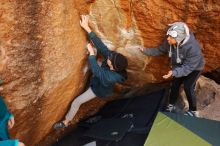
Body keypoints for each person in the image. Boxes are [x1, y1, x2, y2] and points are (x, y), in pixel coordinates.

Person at [53, 15, 128, 129]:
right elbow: (102, 47)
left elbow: (97, 71)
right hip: (100, 76)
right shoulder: (112, 62)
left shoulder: (111, 77)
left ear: (112, 67)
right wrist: (86, 27)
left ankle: (66, 122)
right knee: (98, 57)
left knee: (76, 102)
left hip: (97, 89)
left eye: (110, 59)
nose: (109, 56)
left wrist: (92, 54)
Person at [139, 22, 205, 116]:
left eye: (170, 37)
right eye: (168, 36)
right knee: (174, 85)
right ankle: (171, 104)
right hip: (179, 66)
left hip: (195, 68)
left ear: (178, 39)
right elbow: (160, 50)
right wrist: (145, 51)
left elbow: (188, 67)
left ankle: (193, 110)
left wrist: (174, 72)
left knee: (188, 86)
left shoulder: (193, 48)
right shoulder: (169, 42)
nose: (167, 38)